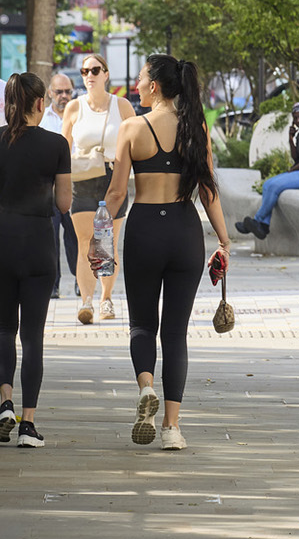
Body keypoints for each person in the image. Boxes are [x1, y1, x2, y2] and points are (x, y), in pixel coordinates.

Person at [101, 54, 230, 451]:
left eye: (139, 79)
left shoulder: (131, 128)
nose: (135, 86)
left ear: (154, 85)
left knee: (142, 325)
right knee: (175, 333)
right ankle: (172, 428)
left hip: (144, 231)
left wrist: (99, 239)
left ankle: (145, 388)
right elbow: (207, 191)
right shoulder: (196, 128)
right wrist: (224, 242)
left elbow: (118, 193)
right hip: (184, 231)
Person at [0, 73, 73, 447]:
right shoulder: (56, 144)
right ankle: (28, 425)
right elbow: (64, 203)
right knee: (32, 336)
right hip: (38, 244)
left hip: (2, 241)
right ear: (41, 104)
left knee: (1, 330)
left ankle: (3, 402)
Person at [61, 53, 135, 324]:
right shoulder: (74, 107)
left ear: (106, 73)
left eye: (95, 70)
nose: (89, 76)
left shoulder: (123, 106)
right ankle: (86, 302)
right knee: (84, 243)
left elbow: (134, 144)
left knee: (107, 243)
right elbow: (63, 148)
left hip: (113, 180)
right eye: (84, 71)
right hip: (82, 179)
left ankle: (106, 299)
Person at [234, 101, 299, 240]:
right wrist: (291, 138)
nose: (298, 120)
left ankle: (258, 220)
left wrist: (291, 171)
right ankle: (264, 225)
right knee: (268, 184)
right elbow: (296, 157)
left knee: (275, 186)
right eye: (295, 118)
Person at [41, 74, 79, 300]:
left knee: (75, 236)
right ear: (49, 93)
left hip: (75, 187)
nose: (64, 96)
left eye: (68, 92)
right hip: (48, 188)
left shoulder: (80, 117)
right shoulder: (43, 119)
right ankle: (53, 284)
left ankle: (79, 279)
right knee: (50, 237)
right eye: (59, 92)